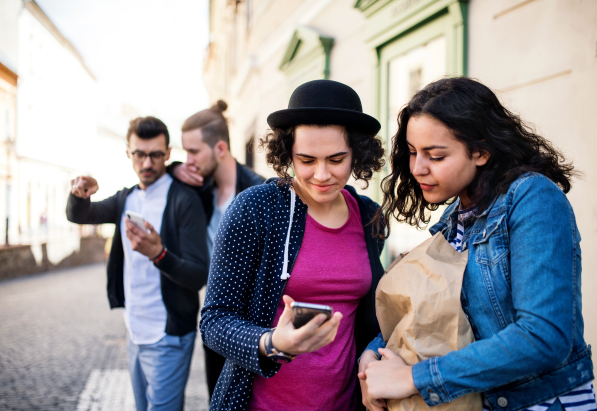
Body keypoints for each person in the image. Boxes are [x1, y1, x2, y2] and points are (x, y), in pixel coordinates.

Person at [359, 77, 595, 411]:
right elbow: (430, 309)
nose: (417, 168)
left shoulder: (533, 197)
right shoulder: (456, 216)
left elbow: (544, 337)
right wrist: (373, 355)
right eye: (412, 153)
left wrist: (412, 378)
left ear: (481, 152)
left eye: (436, 156)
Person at [199, 79, 386, 411]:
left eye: (336, 159)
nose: (322, 174)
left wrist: (373, 351)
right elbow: (214, 320)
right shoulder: (255, 209)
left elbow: (373, 318)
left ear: (357, 153)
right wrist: (271, 343)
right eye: (307, 159)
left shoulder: (370, 217)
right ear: (288, 153)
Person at [67, 116, 210, 411]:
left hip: (169, 333)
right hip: (133, 330)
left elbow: (198, 275)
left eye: (156, 155)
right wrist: (79, 193)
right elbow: (81, 216)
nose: (147, 163)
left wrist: (159, 254)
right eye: (139, 154)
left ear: (168, 153)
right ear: (128, 154)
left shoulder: (184, 200)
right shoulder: (126, 198)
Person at [167, 100, 265, 400]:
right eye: (184, 153)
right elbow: (159, 173)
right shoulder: (198, 186)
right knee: (218, 397)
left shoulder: (257, 191)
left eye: (193, 152)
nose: (188, 160)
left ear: (220, 149)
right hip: (215, 315)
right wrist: (173, 169)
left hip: (254, 320)